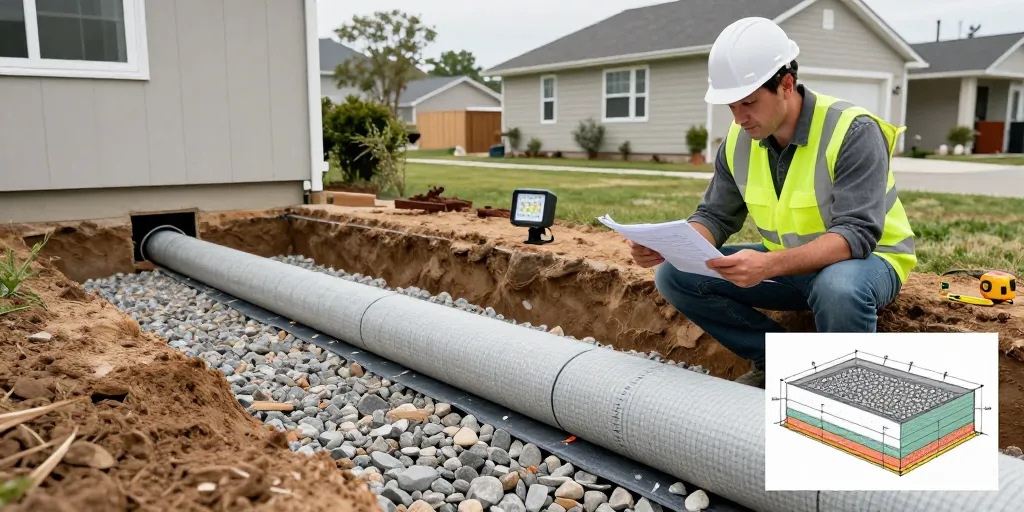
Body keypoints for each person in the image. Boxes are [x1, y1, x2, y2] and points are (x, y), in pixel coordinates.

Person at [628, 17, 917, 389]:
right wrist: (671, 245)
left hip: (867, 263)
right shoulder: (739, 138)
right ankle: (777, 362)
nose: (739, 118)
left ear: (786, 85)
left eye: (748, 102)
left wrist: (768, 264)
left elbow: (857, 235)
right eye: (731, 106)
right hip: (790, 265)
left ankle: (847, 393)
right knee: (674, 276)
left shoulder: (853, 131)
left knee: (838, 288)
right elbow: (715, 215)